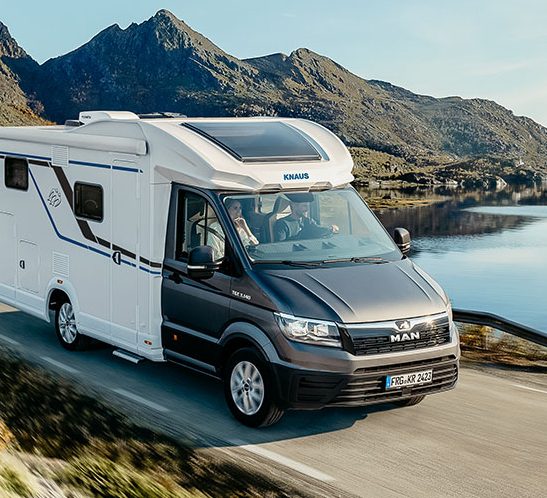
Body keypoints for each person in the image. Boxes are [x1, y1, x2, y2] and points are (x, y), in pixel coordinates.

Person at [274, 193, 339, 242]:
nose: (307, 209)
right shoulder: (282, 224)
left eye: (308, 206)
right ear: (294, 206)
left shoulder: (308, 221)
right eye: (304, 206)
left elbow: (317, 229)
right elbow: (281, 246)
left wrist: (330, 229)